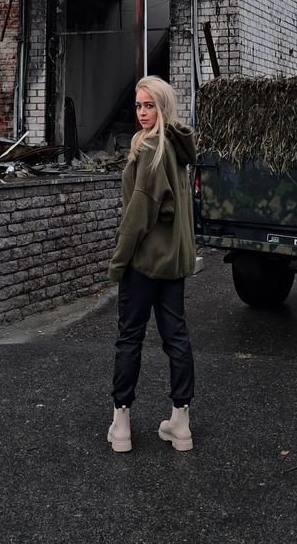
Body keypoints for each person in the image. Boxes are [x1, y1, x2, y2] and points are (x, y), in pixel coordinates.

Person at [106, 75, 198, 454]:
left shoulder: (150, 149)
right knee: (176, 338)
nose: (142, 113)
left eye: (150, 105)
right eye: (139, 105)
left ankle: (121, 424)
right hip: (173, 264)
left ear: (163, 107)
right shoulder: (177, 146)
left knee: (130, 338)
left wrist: (119, 262)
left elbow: (138, 216)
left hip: (144, 264)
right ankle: (181, 423)